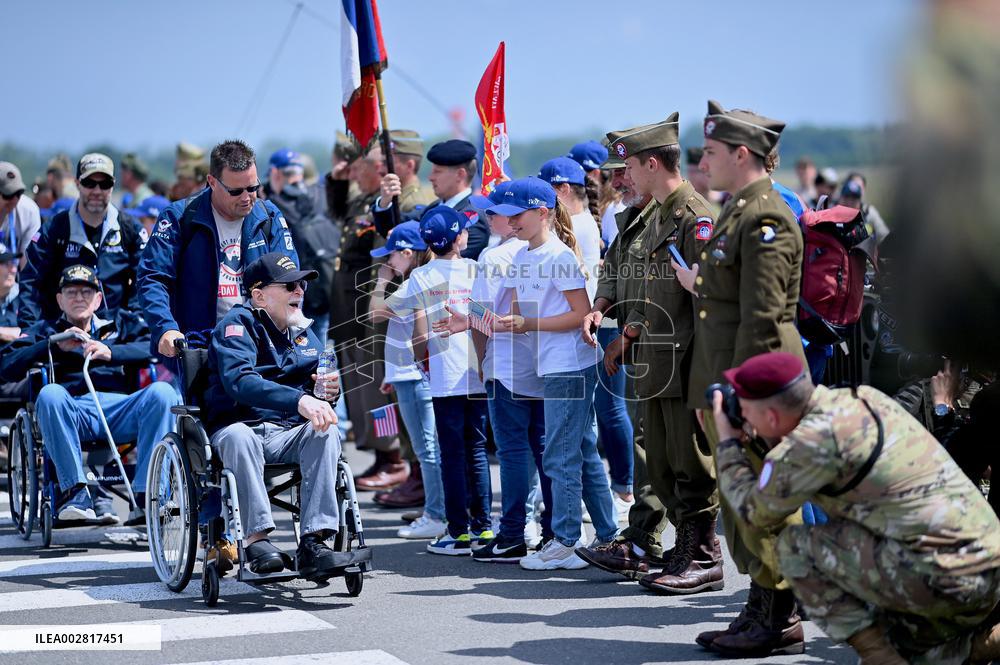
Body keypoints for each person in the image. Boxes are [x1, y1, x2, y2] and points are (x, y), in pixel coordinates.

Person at [711, 351, 1000, 664]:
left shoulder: (809, 445)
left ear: (770, 417)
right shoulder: (863, 399)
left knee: (796, 548)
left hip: (952, 583)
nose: (741, 417)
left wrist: (727, 443)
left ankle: (884, 657)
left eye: (745, 410)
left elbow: (754, 512)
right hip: (987, 564)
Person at [678, 100, 808, 656]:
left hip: (755, 386)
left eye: (710, 152)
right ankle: (762, 603)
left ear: (740, 153)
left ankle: (778, 614)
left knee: (765, 499)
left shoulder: (766, 217)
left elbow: (763, 316)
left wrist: (743, 395)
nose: (703, 162)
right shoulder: (737, 210)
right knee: (741, 502)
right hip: (728, 380)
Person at [600, 114, 723, 595]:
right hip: (657, 358)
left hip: (685, 360)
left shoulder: (693, 215)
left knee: (690, 464)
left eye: (629, 165)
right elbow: (645, 286)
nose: (624, 175)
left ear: (652, 163)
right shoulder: (658, 212)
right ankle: (685, 550)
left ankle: (704, 555)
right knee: (666, 467)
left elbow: (705, 299)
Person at [487, 177, 617, 570]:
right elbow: (507, 308)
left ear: (543, 212)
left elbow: (581, 313)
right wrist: (472, 319)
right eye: (507, 217)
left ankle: (566, 540)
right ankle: (608, 536)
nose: (510, 223)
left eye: (517, 215)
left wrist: (527, 324)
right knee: (581, 451)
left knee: (559, 454)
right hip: (556, 363)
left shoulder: (558, 256)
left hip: (570, 364)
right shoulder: (525, 255)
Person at [204, 253, 354, 579]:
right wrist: (301, 400)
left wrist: (328, 392)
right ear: (258, 295)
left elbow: (320, 387)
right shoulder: (236, 325)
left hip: (287, 431)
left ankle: (314, 541)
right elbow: (240, 381)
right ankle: (256, 540)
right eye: (288, 285)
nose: (299, 290)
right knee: (239, 436)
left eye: (301, 284)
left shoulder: (302, 330)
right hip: (241, 425)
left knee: (326, 430)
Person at [0, 265, 179, 525]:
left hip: (119, 407)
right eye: (71, 292)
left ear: (98, 299)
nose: (79, 298)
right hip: (71, 410)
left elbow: (156, 346)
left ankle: (150, 496)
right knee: (50, 394)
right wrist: (51, 345)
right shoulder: (46, 329)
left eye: (86, 291)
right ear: (60, 299)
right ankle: (74, 493)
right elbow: (6, 367)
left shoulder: (119, 323)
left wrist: (112, 351)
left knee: (163, 393)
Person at [434, 181, 554, 562]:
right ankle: (552, 530)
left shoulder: (494, 257)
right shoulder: (546, 248)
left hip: (507, 364)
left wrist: (482, 365)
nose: (488, 216)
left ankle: (514, 532)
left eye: (495, 211)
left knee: (514, 451)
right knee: (544, 449)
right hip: (544, 361)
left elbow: (483, 319)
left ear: (512, 218)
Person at [577, 139, 670, 578]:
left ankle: (688, 547)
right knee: (647, 443)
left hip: (665, 344)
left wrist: (627, 333)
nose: (616, 181)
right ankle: (643, 541)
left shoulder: (677, 217)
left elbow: (659, 289)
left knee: (670, 451)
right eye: (613, 172)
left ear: (649, 167)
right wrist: (600, 304)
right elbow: (613, 272)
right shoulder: (627, 216)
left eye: (624, 170)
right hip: (639, 344)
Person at [382, 206, 493, 555]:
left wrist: (423, 362)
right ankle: (484, 528)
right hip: (476, 370)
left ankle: (457, 531)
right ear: (460, 238)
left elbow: (419, 333)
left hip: (443, 376)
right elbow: (483, 319)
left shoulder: (421, 277)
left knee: (451, 453)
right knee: (476, 451)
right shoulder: (475, 269)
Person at [137, 139, 297, 359]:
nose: (246, 198)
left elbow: (290, 275)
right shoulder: (179, 217)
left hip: (260, 346)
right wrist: (165, 327)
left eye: (253, 188)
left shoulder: (268, 215)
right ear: (212, 182)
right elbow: (153, 277)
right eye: (235, 191)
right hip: (198, 347)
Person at [327, 145, 406, 489]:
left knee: (377, 394)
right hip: (347, 313)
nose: (356, 174)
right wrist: (338, 179)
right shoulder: (361, 203)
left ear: (379, 170)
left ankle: (393, 456)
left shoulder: (385, 206)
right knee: (358, 394)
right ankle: (376, 454)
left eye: (361, 168)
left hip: (367, 316)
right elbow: (335, 210)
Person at [367, 222, 446, 539]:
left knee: (426, 448)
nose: (388, 263)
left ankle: (436, 513)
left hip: (413, 376)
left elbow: (375, 312)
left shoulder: (412, 283)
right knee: (430, 446)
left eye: (392, 256)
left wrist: (381, 281)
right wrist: (391, 373)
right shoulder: (423, 279)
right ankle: (438, 508)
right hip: (408, 374)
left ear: (407, 253)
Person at [18, 153, 145, 329]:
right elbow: (30, 280)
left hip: (115, 336)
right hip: (62, 334)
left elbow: (144, 280)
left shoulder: (131, 229)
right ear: (77, 184)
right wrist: (30, 329)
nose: (97, 191)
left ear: (113, 186)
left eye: (104, 184)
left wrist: (135, 322)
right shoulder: (55, 228)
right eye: (89, 183)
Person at [372, 139, 490, 260]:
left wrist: (410, 243)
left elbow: (451, 259)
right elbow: (396, 226)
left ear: (460, 174)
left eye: (437, 172)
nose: (430, 177)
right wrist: (385, 201)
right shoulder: (435, 207)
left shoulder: (473, 218)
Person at [0, 161, 41, 267]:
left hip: (13, 278)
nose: (14, 200)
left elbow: (28, 264)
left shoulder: (29, 211)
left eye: (18, 194)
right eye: (8, 194)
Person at [0, 242, 21, 344]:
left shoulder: (25, 298)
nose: (13, 270)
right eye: (6, 264)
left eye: (13, 263)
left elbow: (33, 333)